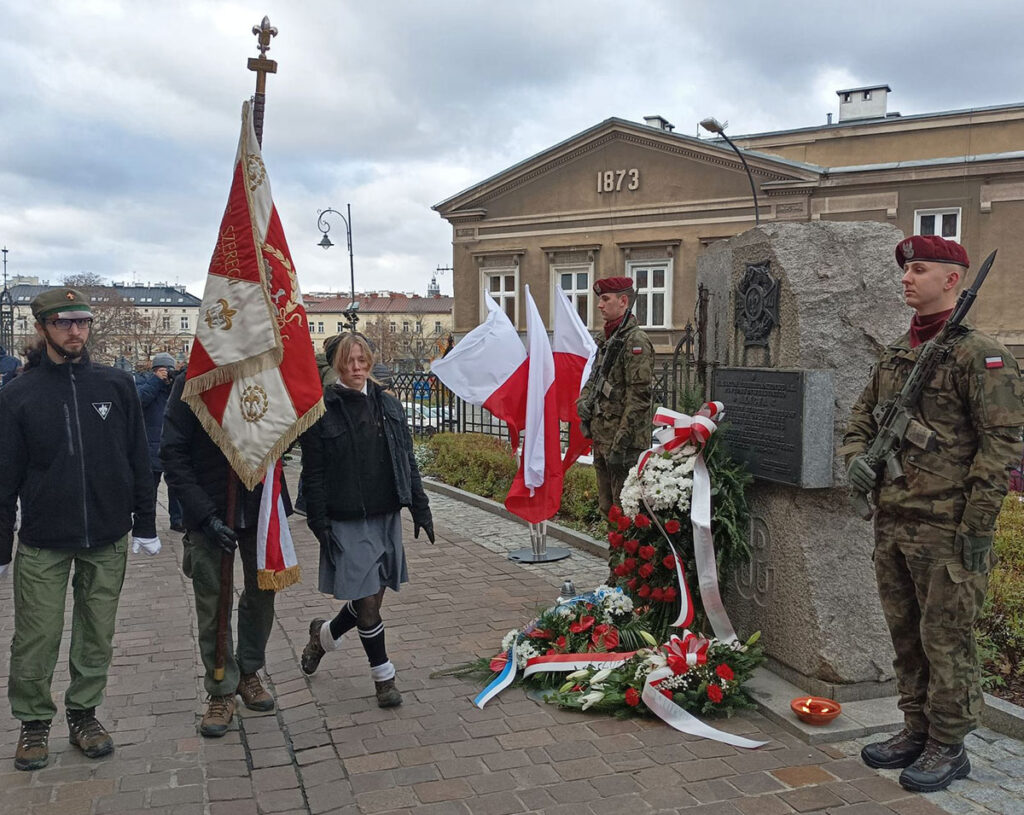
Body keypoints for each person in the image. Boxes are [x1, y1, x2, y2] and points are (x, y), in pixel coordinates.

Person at [843, 235, 1024, 793]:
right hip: (893, 520)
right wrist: (857, 460)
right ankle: (915, 727)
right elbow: (861, 418)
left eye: (919, 270)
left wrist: (977, 526)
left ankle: (949, 742)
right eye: (906, 270)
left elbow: (1001, 446)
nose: (906, 278)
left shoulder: (979, 354)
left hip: (948, 529)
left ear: (952, 280)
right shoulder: (897, 352)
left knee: (946, 638)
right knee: (905, 635)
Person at [0, 287, 159, 771]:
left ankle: (84, 715)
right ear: (43, 328)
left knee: (96, 633)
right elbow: (4, 477)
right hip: (44, 539)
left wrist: (145, 523)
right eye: (64, 322)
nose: (76, 331)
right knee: (36, 635)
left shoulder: (115, 385)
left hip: (107, 536)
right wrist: (2, 548)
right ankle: (33, 722)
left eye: (83, 322)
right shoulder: (17, 395)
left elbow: (138, 458)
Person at [297, 333, 434, 708]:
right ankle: (384, 678)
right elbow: (314, 473)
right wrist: (319, 521)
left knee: (372, 594)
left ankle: (322, 637)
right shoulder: (320, 410)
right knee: (369, 603)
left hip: (385, 513)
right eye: (349, 362)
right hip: (346, 520)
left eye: (362, 360)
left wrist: (420, 507)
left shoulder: (388, 405)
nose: (357, 368)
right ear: (337, 365)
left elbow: (406, 460)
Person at [161, 372, 288, 736]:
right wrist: (204, 514)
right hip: (210, 513)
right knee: (213, 602)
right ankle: (220, 687)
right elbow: (173, 453)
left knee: (263, 594)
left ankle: (248, 670)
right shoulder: (193, 382)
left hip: (259, 508)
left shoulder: (266, 375)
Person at [576, 276, 655, 518]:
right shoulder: (606, 340)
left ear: (623, 301)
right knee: (607, 510)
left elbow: (639, 398)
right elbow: (594, 377)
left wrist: (620, 443)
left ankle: (623, 556)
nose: (599, 305)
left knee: (626, 514)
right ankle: (611, 556)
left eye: (605, 299)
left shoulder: (635, 341)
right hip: (603, 439)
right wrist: (583, 402)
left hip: (625, 445)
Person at [136, 352, 184, 532]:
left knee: (177, 487)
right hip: (151, 446)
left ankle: (178, 520)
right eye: (162, 370)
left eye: (169, 370)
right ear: (154, 370)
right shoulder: (145, 383)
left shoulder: (175, 387)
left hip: (172, 446)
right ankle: (147, 523)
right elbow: (139, 400)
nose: (166, 374)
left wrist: (175, 381)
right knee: (149, 490)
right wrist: (156, 381)